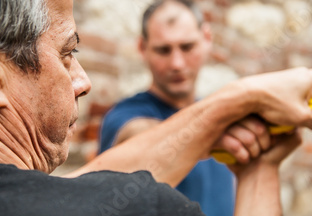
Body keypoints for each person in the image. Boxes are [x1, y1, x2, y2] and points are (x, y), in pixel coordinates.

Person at [0, 0, 312, 215]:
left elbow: (68, 194)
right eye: (67, 53)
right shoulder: (140, 198)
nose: (83, 81)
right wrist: (260, 164)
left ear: (207, 41)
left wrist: (229, 105)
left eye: (187, 47)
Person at [98, 1, 234, 215]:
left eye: (187, 47)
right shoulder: (123, 115)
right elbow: (136, 135)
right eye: (163, 50)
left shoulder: (221, 120)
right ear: (142, 48)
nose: (177, 63)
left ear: (207, 39)